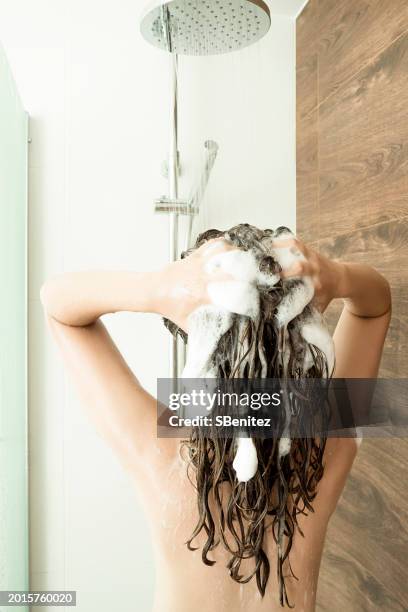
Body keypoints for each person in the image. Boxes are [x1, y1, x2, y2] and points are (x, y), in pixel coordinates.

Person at [40, 224, 391, 611]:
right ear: (298, 334)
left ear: (201, 342)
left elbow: (58, 308)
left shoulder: (166, 456)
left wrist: (159, 288)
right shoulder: (323, 447)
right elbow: (375, 307)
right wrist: (333, 274)